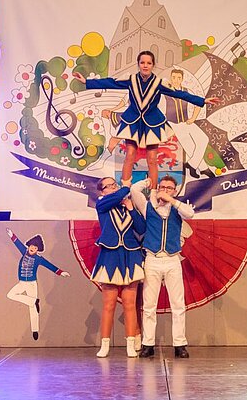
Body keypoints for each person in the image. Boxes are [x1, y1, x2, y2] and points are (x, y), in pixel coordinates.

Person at [75, 51, 221, 187]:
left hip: (152, 123)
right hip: (132, 122)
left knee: (152, 159)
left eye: (149, 63)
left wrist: (202, 100)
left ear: (153, 65)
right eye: (142, 62)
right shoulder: (131, 79)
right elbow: (111, 82)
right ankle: (125, 189)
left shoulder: (159, 83)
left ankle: (153, 194)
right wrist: (86, 82)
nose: (145, 65)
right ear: (138, 64)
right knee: (130, 155)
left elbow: (180, 94)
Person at [130, 176, 195, 358]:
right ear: (158, 188)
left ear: (175, 191)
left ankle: (180, 344)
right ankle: (148, 344)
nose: (165, 190)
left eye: (169, 188)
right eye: (163, 187)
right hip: (152, 259)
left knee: (178, 304)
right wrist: (147, 183)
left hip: (172, 259)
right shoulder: (148, 207)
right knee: (149, 305)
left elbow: (190, 214)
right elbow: (134, 190)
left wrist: (171, 200)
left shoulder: (178, 208)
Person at [91, 177, 147, 358]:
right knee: (109, 304)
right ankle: (105, 345)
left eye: (115, 184)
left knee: (130, 304)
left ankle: (130, 343)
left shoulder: (127, 205)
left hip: (131, 255)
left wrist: (131, 208)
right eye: (110, 186)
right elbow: (119, 195)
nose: (114, 187)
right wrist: (126, 187)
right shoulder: (102, 204)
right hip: (110, 256)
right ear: (102, 191)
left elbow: (141, 228)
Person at [5, 228, 69, 340]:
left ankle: (35, 330)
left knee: (33, 309)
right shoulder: (24, 252)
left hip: (31, 284)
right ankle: (34, 301)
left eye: (35, 248)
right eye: (31, 246)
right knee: (10, 295)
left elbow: (49, 265)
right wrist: (11, 235)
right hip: (22, 283)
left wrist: (60, 272)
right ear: (29, 246)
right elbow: (17, 243)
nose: (32, 248)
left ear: (37, 249)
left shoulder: (39, 259)